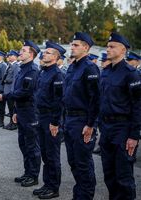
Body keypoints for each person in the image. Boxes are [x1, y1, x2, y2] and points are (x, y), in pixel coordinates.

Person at [99, 33, 141, 200]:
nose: (108, 49)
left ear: (123, 50)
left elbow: (138, 106)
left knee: (123, 176)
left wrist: (134, 135)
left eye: (112, 46)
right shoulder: (106, 72)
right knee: (109, 174)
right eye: (107, 46)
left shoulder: (131, 73)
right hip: (107, 129)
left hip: (123, 129)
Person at [0, 40, 41, 187]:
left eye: (23, 50)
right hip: (21, 111)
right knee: (23, 144)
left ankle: (33, 176)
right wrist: (15, 111)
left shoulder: (33, 70)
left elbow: (24, 92)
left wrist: (5, 96)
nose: (20, 52)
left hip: (30, 112)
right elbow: (18, 91)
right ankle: (27, 172)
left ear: (32, 53)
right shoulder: (22, 69)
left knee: (31, 146)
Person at [63, 32, 100, 200]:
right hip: (69, 119)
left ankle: (85, 196)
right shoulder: (72, 66)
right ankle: (79, 195)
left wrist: (91, 124)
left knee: (83, 163)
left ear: (86, 47)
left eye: (76, 45)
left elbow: (95, 99)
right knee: (74, 163)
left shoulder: (90, 68)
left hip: (82, 121)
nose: (72, 47)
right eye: (72, 44)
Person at [33, 42, 65, 199]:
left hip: (50, 119)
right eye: (44, 52)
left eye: (48, 53)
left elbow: (59, 101)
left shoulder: (57, 74)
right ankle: (47, 184)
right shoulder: (43, 72)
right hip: (41, 116)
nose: (44, 54)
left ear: (56, 57)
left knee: (52, 155)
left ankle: (54, 187)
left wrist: (55, 122)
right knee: (45, 154)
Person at [2, 50, 20, 130]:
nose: (9, 57)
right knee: (10, 108)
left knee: (12, 108)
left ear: (16, 57)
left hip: (11, 90)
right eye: (9, 55)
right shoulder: (10, 65)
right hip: (7, 89)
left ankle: (14, 124)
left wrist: (12, 91)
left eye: (11, 55)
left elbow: (15, 80)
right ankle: (11, 122)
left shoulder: (16, 66)